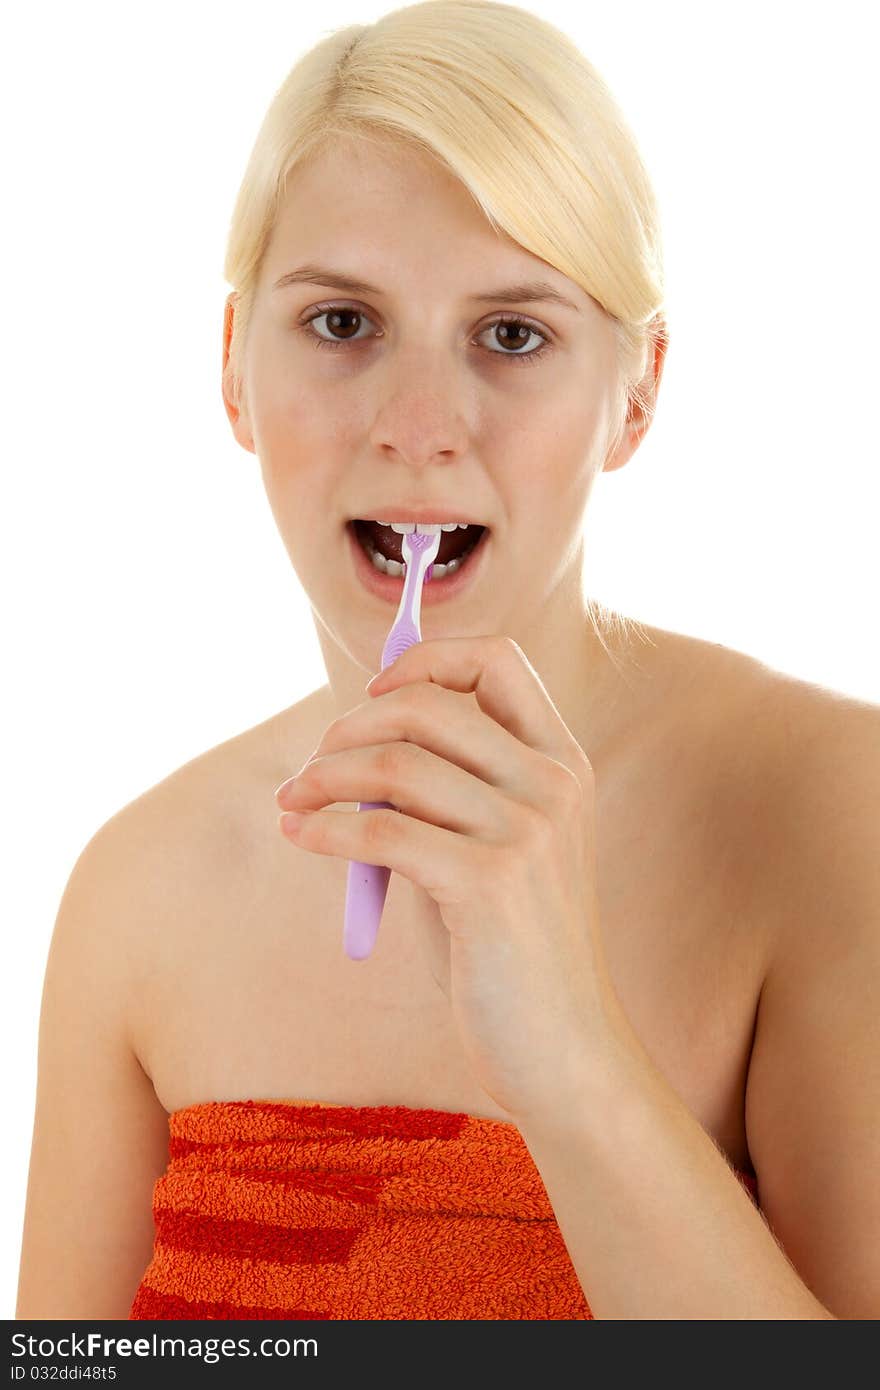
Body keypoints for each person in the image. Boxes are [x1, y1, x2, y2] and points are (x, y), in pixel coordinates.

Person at [16, 0, 878, 1321]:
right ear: (234, 369)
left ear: (637, 391)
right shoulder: (134, 891)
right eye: (344, 324)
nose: (419, 427)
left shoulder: (832, 810)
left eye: (513, 333)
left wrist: (573, 1049)